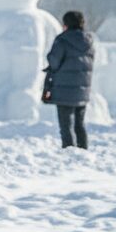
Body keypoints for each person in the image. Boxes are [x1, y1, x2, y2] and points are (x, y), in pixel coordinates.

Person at [43, 10, 94, 149]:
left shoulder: (62, 40)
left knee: (66, 126)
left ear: (66, 24)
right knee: (80, 125)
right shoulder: (89, 41)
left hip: (64, 90)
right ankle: (83, 152)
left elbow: (54, 61)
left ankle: (69, 154)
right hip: (83, 90)